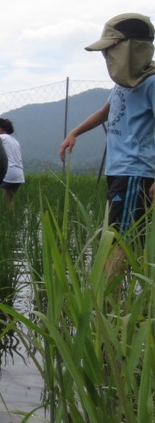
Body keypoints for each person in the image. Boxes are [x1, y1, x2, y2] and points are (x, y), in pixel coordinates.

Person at [59, 13, 155, 259]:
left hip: (136, 173)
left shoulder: (151, 83)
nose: (106, 58)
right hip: (119, 172)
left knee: (119, 243)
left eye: (110, 51)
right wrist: (75, 132)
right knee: (125, 239)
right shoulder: (124, 83)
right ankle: (122, 295)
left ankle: (102, 297)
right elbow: (106, 111)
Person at [0, 117, 25, 204]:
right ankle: (10, 217)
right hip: (19, 175)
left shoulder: (1, 137)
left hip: (9, 173)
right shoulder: (14, 141)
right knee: (8, 200)